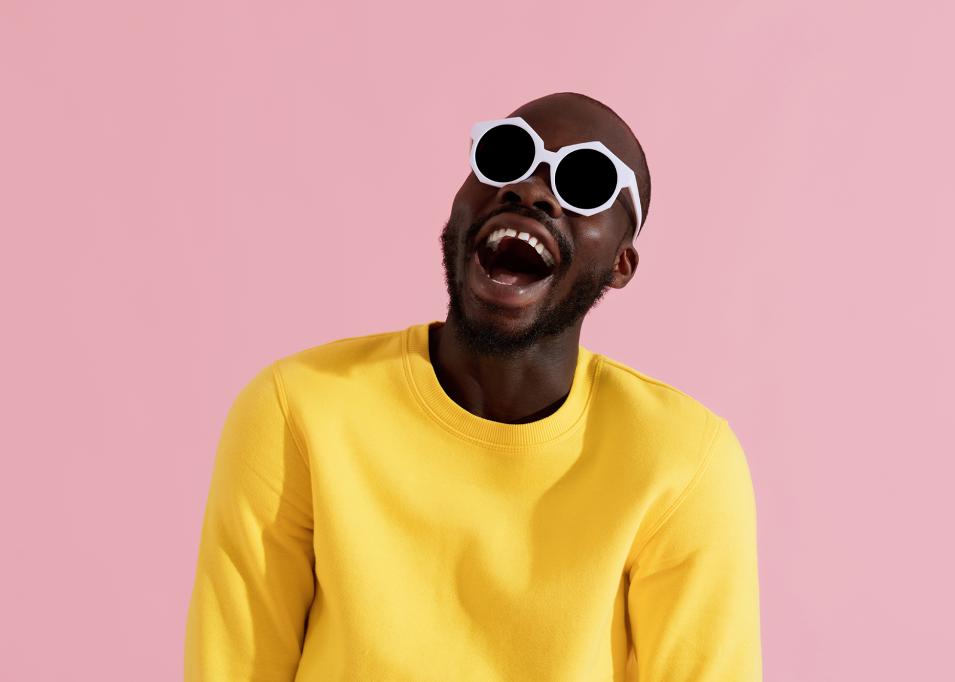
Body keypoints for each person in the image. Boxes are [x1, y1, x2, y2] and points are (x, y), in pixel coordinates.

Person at [184, 91, 763, 681]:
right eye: (505, 155)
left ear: (620, 264)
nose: (531, 190)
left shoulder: (682, 460)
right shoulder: (300, 409)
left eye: (585, 182)